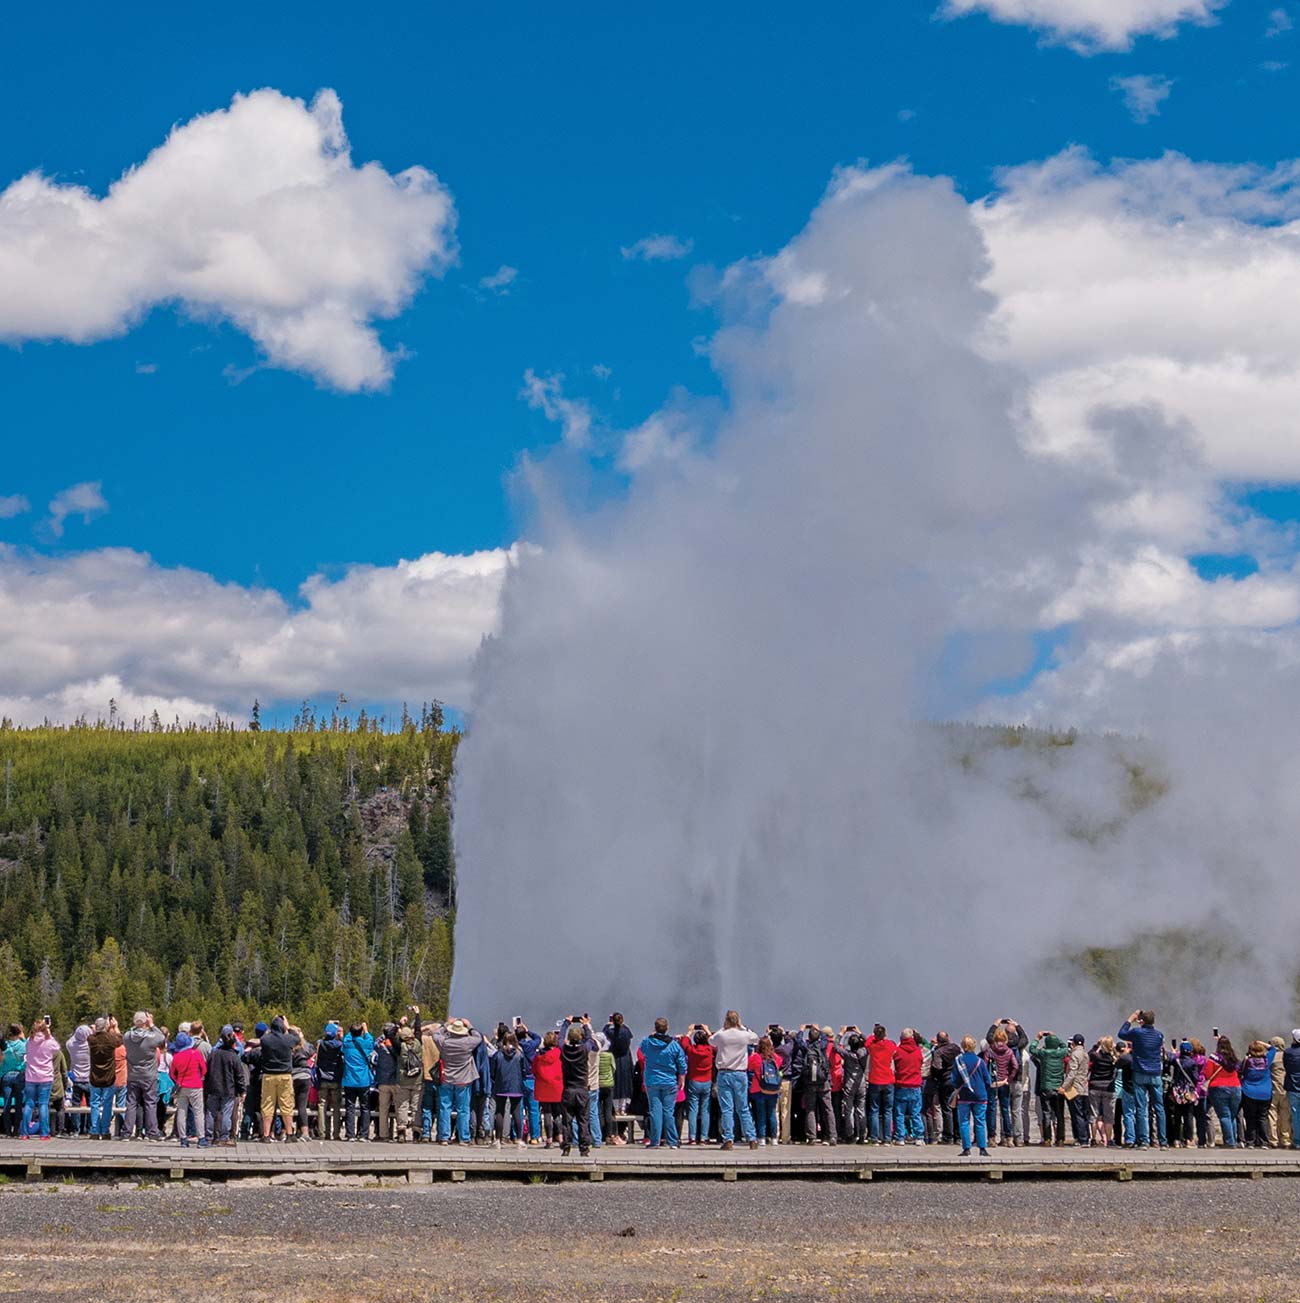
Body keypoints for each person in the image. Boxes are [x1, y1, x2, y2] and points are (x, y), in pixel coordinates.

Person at [1117, 1010, 1168, 1149]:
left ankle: (1144, 1141)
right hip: (1156, 1073)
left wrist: (1130, 1019)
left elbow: (1121, 1034)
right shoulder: (1159, 1035)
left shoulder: (1137, 1033)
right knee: (1159, 1108)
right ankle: (1163, 1141)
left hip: (1140, 1073)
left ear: (1142, 1021)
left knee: (1141, 1108)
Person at [710, 1010, 760, 1151]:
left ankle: (728, 1139)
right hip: (740, 1074)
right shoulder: (744, 1035)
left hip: (724, 1073)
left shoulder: (722, 1035)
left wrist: (723, 1028)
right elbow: (756, 1038)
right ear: (738, 1020)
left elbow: (711, 1040)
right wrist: (743, 1027)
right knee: (743, 1107)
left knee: (727, 1109)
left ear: (726, 1020)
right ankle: (752, 1138)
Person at [433, 1017, 485, 1145]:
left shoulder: (445, 1042)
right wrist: (470, 1025)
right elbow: (479, 1037)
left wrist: (446, 1024)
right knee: (463, 1110)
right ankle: (464, 1138)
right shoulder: (468, 1042)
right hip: (464, 1080)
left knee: (445, 1108)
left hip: (447, 1078)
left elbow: (435, 1034)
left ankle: (444, 1137)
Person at [640, 1017, 687, 1148]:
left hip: (652, 1080)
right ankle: (672, 1141)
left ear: (655, 1028)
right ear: (667, 1029)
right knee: (668, 1112)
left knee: (655, 1112)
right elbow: (682, 1063)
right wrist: (682, 1078)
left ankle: (655, 1141)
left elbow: (642, 1050)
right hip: (669, 1081)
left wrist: (650, 1036)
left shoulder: (648, 1042)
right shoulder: (674, 1045)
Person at [123, 1011, 165, 1141]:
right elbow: (162, 1038)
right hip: (149, 1075)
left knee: (131, 1103)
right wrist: (152, 1024)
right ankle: (152, 1131)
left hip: (133, 1075)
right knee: (150, 1103)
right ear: (145, 1021)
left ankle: (127, 1132)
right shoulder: (151, 1037)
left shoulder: (127, 1036)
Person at [258, 1015, 298, 1142]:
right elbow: (297, 1039)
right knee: (286, 1105)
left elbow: (263, 1037)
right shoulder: (288, 1039)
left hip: (268, 1075)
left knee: (267, 1105)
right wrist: (288, 1027)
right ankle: (290, 1134)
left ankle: (266, 1135)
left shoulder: (265, 1039)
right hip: (285, 1075)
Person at [794, 1025, 836, 1144]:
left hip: (809, 1083)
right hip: (823, 1082)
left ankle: (811, 1136)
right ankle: (832, 1136)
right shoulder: (822, 1046)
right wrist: (819, 1029)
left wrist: (802, 1029)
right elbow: (825, 1039)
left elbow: (798, 1040)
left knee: (810, 1109)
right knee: (828, 1109)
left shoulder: (806, 1048)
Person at [560, 1019, 596, 1157]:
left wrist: (566, 1024)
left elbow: (560, 1039)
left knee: (567, 1120)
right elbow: (590, 1040)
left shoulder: (564, 1050)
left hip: (568, 1089)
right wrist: (586, 1025)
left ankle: (566, 1147)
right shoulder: (584, 1049)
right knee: (583, 1120)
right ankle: (584, 1148)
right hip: (582, 1089)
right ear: (580, 1038)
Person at [952, 1035, 991, 1157]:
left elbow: (954, 1080)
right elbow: (987, 1081)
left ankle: (967, 1149)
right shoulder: (980, 1061)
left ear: (963, 1046)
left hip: (964, 1095)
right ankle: (982, 1148)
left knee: (964, 1122)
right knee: (980, 1122)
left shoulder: (959, 1060)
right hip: (980, 1095)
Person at [21, 1018, 59, 1139]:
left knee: (29, 1104)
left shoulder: (29, 1041)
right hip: (45, 1076)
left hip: (31, 1076)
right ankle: (44, 1133)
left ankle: (24, 1133)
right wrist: (49, 1033)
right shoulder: (49, 1041)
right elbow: (57, 1049)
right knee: (43, 1104)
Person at [170, 1031, 207, 1148]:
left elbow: (172, 1074)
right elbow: (204, 1069)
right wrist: (199, 1077)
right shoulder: (196, 1054)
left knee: (181, 1112)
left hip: (182, 1086)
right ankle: (201, 1138)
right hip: (196, 1085)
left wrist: (178, 1080)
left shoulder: (176, 1057)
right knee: (198, 1112)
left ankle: (183, 1139)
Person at [86, 1017, 122, 1140]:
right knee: (107, 1105)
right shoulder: (111, 1039)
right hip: (109, 1077)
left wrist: (95, 1030)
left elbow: (91, 1036)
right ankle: (105, 1130)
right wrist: (115, 1027)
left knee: (94, 1104)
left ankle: (95, 1130)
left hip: (95, 1076)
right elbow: (120, 1040)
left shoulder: (91, 1039)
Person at [983, 1027, 1020, 1147]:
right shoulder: (1009, 1051)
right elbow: (1015, 1066)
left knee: (992, 1110)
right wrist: (1008, 1079)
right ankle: (1009, 1138)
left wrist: (988, 1080)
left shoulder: (990, 1051)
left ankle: (992, 1138)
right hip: (1004, 1082)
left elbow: (984, 1066)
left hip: (993, 1083)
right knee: (1005, 1110)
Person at [1029, 1032, 1067, 1145]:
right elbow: (1065, 1046)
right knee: (1059, 1115)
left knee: (1046, 1113)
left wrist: (1037, 1038)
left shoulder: (1043, 1053)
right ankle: (1060, 1139)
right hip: (1058, 1087)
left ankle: (1047, 1139)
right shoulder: (1061, 1053)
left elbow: (1032, 1049)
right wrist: (1055, 1036)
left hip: (1046, 1087)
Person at [206, 1025, 242, 1145]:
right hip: (228, 1088)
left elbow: (207, 1071)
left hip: (213, 1087)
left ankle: (209, 1136)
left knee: (211, 1113)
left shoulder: (213, 1054)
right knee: (226, 1113)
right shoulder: (234, 1057)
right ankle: (224, 1136)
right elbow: (239, 1075)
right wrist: (242, 1090)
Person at [490, 1030, 527, 1149]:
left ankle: (497, 1140)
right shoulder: (519, 1054)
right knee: (516, 1112)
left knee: (500, 1112)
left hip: (501, 1085)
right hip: (516, 1086)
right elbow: (524, 1070)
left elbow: (493, 1071)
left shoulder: (498, 1054)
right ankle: (520, 1140)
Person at [1204, 1036, 1242, 1149]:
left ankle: (1229, 1142)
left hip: (1218, 1088)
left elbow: (1208, 1074)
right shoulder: (1234, 1058)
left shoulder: (1213, 1058)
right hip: (1236, 1087)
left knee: (1225, 1116)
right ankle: (1233, 1140)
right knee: (1232, 1116)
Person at [341, 1021, 375, 1141]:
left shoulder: (347, 1044)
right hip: (363, 1080)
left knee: (350, 1108)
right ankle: (364, 1134)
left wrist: (351, 1033)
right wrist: (365, 1030)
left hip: (349, 1080)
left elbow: (345, 1039)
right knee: (365, 1107)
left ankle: (350, 1134)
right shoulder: (366, 1044)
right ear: (361, 1032)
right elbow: (371, 1040)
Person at [1240, 1039, 1277, 1149]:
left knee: (1250, 1118)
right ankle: (1264, 1142)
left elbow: (1240, 1071)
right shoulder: (1266, 1060)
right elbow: (1273, 1049)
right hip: (1265, 1092)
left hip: (1249, 1091)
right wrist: (1261, 1043)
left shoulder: (1247, 1061)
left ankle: (1250, 1141)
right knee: (1263, 1118)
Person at [681, 1024, 714, 1145]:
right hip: (707, 1081)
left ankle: (692, 1137)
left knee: (693, 1110)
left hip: (694, 1081)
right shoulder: (710, 1050)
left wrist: (689, 1032)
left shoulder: (692, 1050)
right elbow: (715, 1043)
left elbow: (684, 1044)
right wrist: (707, 1030)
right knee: (705, 1110)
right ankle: (704, 1137)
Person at [864, 1025, 896, 1145]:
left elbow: (866, 1043)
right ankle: (887, 1138)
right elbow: (895, 1050)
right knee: (888, 1110)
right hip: (888, 1080)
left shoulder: (872, 1046)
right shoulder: (890, 1045)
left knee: (874, 1110)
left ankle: (875, 1137)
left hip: (875, 1080)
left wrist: (873, 1035)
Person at [892, 1029, 925, 1145]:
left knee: (899, 1113)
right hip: (915, 1085)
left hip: (902, 1084)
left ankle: (900, 1137)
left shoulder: (898, 1051)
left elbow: (894, 1064)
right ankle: (919, 1137)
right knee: (915, 1113)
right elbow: (921, 1062)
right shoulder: (917, 1051)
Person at [604, 1013, 634, 1142]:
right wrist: (619, 1023)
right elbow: (627, 1031)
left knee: (615, 1085)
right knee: (625, 1084)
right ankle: (623, 1109)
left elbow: (604, 1035)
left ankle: (616, 1109)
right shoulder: (626, 1031)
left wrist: (608, 1024)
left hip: (614, 1058)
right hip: (625, 1060)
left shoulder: (610, 1033)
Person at [531, 1031, 564, 1148]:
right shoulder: (559, 1054)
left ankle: (549, 1140)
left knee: (547, 1113)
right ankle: (560, 1138)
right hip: (556, 1086)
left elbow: (534, 1071)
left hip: (543, 1087)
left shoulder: (538, 1056)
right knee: (557, 1114)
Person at [1167, 1041, 1202, 1149]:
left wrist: (1173, 1052)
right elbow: (1196, 1078)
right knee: (1189, 1116)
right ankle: (1189, 1139)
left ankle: (1177, 1140)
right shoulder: (1192, 1063)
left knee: (1177, 1116)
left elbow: (1169, 1057)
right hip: (1188, 1091)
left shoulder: (1176, 1061)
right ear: (1190, 1051)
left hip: (1177, 1091)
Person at [314, 1022, 345, 1140]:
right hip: (335, 1078)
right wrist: (341, 1036)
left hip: (322, 1078)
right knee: (336, 1107)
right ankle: (336, 1134)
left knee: (322, 1105)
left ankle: (322, 1133)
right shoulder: (339, 1045)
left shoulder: (320, 1044)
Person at [749, 1035, 782, 1145]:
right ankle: (774, 1138)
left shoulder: (756, 1057)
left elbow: (749, 1067)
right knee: (772, 1113)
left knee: (761, 1114)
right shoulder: (775, 1058)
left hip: (759, 1090)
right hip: (773, 1089)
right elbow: (780, 1062)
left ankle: (761, 1138)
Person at [838, 1028, 869, 1144]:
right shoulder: (864, 1052)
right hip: (861, 1083)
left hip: (849, 1084)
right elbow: (869, 1043)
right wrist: (860, 1032)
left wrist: (841, 1033)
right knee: (861, 1110)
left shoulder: (846, 1054)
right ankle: (862, 1135)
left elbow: (836, 1046)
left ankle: (850, 1134)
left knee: (848, 1110)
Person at [928, 1032, 958, 1144]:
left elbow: (937, 1067)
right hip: (956, 1081)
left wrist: (935, 1075)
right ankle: (957, 1135)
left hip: (945, 1081)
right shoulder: (955, 1048)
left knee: (946, 1109)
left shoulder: (938, 1052)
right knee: (956, 1108)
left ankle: (948, 1136)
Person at [1062, 1034, 1091, 1147]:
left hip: (1075, 1087)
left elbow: (1072, 1073)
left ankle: (1081, 1139)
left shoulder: (1074, 1054)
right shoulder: (1085, 1054)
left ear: (1073, 1043)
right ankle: (1086, 1137)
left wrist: (1064, 1087)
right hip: (1084, 1087)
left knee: (1077, 1114)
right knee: (1084, 1113)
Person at [1088, 1036, 1117, 1148]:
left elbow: (1090, 1053)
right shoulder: (1113, 1058)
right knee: (1108, 1116)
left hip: (1095, 1086)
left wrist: (1096, 1045)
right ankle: (1109, 1140)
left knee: (1094, 1114)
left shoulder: (1096, 1056)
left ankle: (1094, 1139)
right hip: (1109, 1088)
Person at [65, 1023, 92, 1135]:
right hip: (89, 1079)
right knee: (92, 1106)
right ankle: (91, 1129)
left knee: (76, 1106)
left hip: (76, 1079)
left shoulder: (71, 1045)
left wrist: (77, 1033)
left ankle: (76, 1130)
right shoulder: (90, 1046)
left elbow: (69, 1040)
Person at [1, 1023, 26, 1136]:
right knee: (18, 1105)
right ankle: (16, 1130)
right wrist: (23, 1037)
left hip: (6, 1075)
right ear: (19, 1033)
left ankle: (7, 1131)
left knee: (7, 1104)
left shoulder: (5, 1046)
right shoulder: (23, 1045)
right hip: (19, 1075)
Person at [1269, 1036, 1292, 1150]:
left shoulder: (1270, 1057)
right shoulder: (1288, 1056)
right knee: (1285, 1116)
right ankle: (1286, 1139)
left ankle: (1273, 1140)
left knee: (1272, 1115)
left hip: (1273, 1089)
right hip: (1285, 1089)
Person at [1283, 1029, 1300, 1151]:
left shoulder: (1288, 1052)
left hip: (1293, 1087)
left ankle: (1297, 1141)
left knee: (1296, 1115)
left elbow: (1286, 1066)